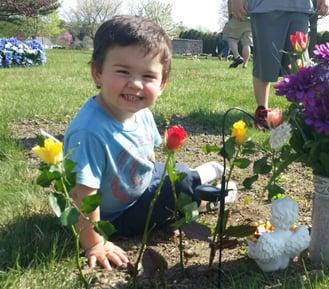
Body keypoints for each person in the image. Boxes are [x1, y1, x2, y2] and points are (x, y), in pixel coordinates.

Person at [64, 16, 228, 271]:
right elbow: (82, 194)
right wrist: (94, 243)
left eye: (148, 76)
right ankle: (212, 197)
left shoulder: (141, 112)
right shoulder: (89, 131)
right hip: (116, 214)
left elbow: (149, 155)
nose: (136, 84)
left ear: (162, 84)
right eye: (123, 71)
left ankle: (199, 179)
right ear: (97, 72)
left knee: (178, 174)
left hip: (138, 180)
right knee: (181, 187)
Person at [230, 0, 328, 118]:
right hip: (265, 8)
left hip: (301, 8)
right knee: (265, 63)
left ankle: (301, 114)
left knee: (299, 67)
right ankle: (262, 113)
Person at [223, 0, 253, 68]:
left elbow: (230, 2)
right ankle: (245, 64)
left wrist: (230, 16)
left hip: (237, 18)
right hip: (249, 20)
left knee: (232, 39)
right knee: (246, 44)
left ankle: (237, 57)